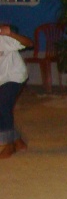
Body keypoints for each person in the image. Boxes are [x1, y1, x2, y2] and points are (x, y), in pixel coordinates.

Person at [0, 24, 33, 159]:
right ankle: (18, 142)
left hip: (15, 76)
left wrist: (10, 34)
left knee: (3, 106)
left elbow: (29, 43)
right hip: (2, 78)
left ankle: (10, 145)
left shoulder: (3, 38)